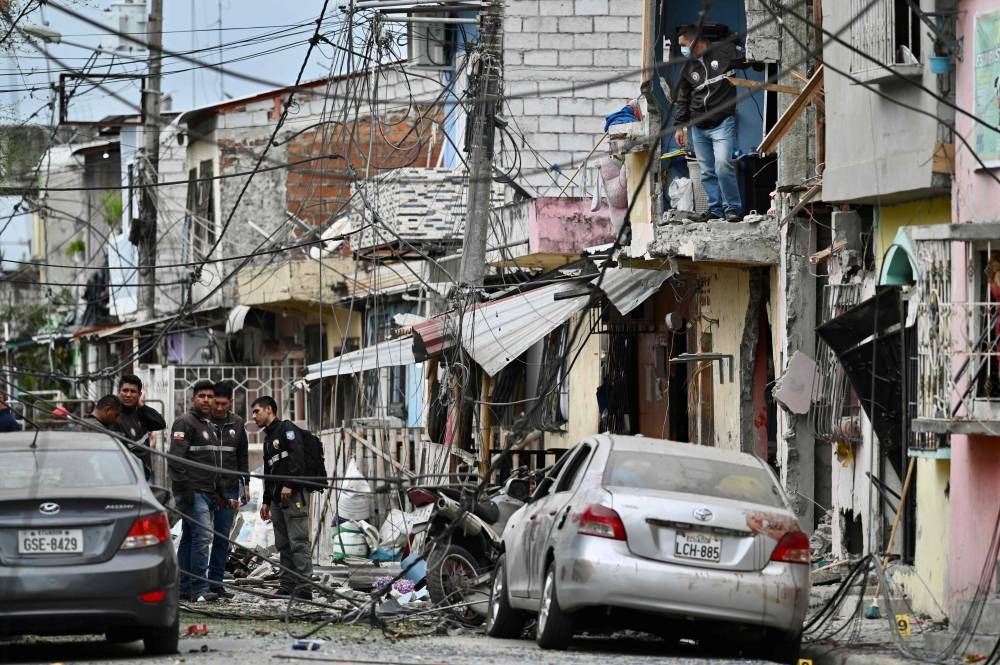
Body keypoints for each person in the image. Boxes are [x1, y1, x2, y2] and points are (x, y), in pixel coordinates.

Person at [673, 25, 745, 223]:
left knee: (723, 165)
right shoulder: (687, 67)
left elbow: (750, 59)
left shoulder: (723, 51)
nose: (682, 49)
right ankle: (715, 210)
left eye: (684, 45)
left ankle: (733, 208)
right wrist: (680, 126)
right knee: (706, 172)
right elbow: (682, 99)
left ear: (695, 41)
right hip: (698, 127)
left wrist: (741, 46)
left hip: (722, 123)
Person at [250, 396, 312, 600]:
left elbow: (298, 457)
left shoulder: (287, 429)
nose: (253, 416)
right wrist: (266, 501)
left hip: (293, 496)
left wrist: (290, 484)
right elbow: (269, 472)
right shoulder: (268, 439)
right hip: (277, 500)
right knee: (283, 544)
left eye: (257, 411)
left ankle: (304, 588)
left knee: (298, 542)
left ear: (269, 409)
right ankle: (287, 585)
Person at [168, 380, 224, 603]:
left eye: (210, 396)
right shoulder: (185, 422)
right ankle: (199, 589)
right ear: (193, 399)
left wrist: (218, 491)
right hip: (193, 492)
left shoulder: (209, 425)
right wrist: (186, 489)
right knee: (202, 537)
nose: (206, 400)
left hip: (207, 492)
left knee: (191, 538)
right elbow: (176, 460)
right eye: (202, 396)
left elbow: (212, 462)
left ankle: (185, 587)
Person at [206, 381, 250, 599]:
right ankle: (194, 583)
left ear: (230, 402)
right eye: (217, 403)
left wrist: (246, 484)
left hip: (230, 488)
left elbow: (242, 456)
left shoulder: (238, 423)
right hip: (204, 488)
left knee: (222, 537)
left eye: (224, 404)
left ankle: (216, 583)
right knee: (198, 535)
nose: (219, 407)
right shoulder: (202, 421)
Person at [116, 374, 166, 481]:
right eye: (125, 390)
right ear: (118, 392)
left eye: (133, 391)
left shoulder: (141, 413)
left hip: (145, 473)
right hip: (124, 476)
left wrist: (142, 405)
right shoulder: (113, 416)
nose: (128, 395)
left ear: (139, 395)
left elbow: (161, 423)